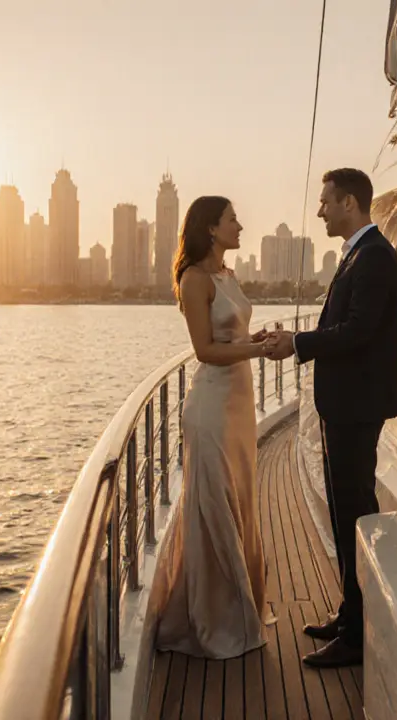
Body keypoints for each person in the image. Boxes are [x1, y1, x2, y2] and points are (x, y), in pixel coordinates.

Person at [264, 168, 397, 668]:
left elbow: (358, 331)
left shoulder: (374, 258)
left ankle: (358, 635)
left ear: (349, 203)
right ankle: (350, 614)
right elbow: (344, 327)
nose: (319, 210)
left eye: (325, 202)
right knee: (345, 514)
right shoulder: (358, 256)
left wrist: (297, 344)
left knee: (355, 516)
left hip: (356, 406)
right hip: (343, 405)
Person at [151, 196, 277, 659]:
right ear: (210, 229)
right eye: (231, 220)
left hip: (240, 406)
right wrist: (260, 351)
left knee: (240, 500)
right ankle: (217, 620)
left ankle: (239, 607)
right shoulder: (194, 280)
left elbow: (233, 339)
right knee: (216, 504)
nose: (240, 225)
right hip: (212, 407)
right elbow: (204, 350)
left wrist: (255, 340)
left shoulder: (229, 275)